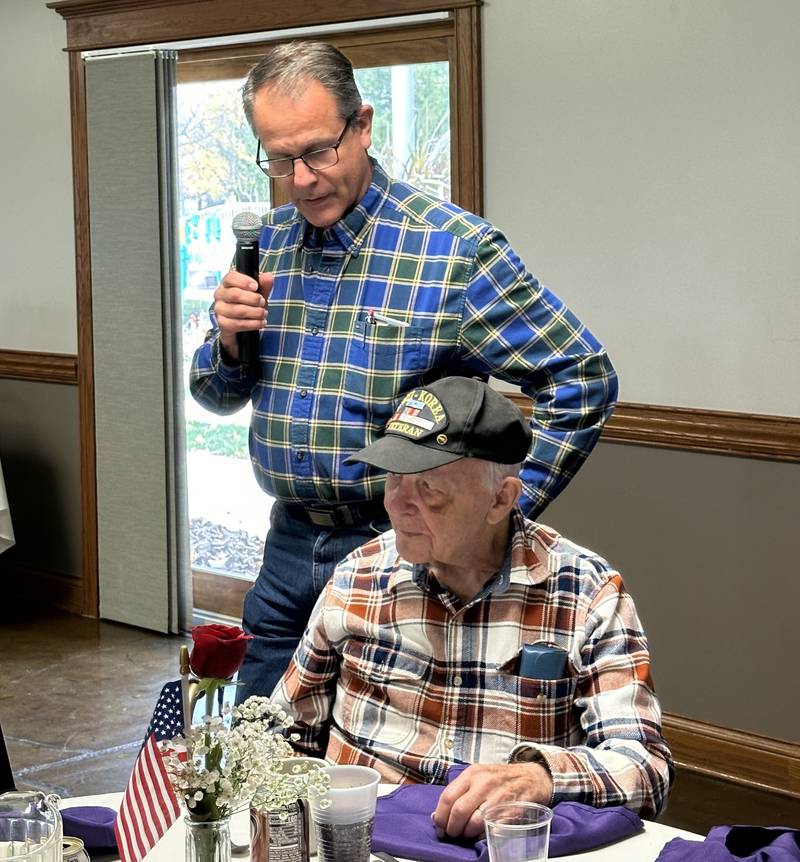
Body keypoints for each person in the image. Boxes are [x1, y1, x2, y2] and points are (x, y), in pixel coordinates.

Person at [189, 41, 619, 702]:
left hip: (403, 546)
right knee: (261, 746)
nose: (300, 179)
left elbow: (582, 378)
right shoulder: (265, 246)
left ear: (362, 125)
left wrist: (496, 514)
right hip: (286, 549)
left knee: (382, 754)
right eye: (278, 158)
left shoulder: (454, 252)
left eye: (317, 152)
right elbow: (216, 396)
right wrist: (226, 341)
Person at [271, 376, 672, 836]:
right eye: (393, 479)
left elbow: (646, 769)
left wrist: (538, 778)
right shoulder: (359, 576)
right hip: (359, 837)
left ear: (500, 499)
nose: (398, 505)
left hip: (495, 844)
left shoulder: (585, 593)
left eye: (429, 489)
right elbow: (284, 732)